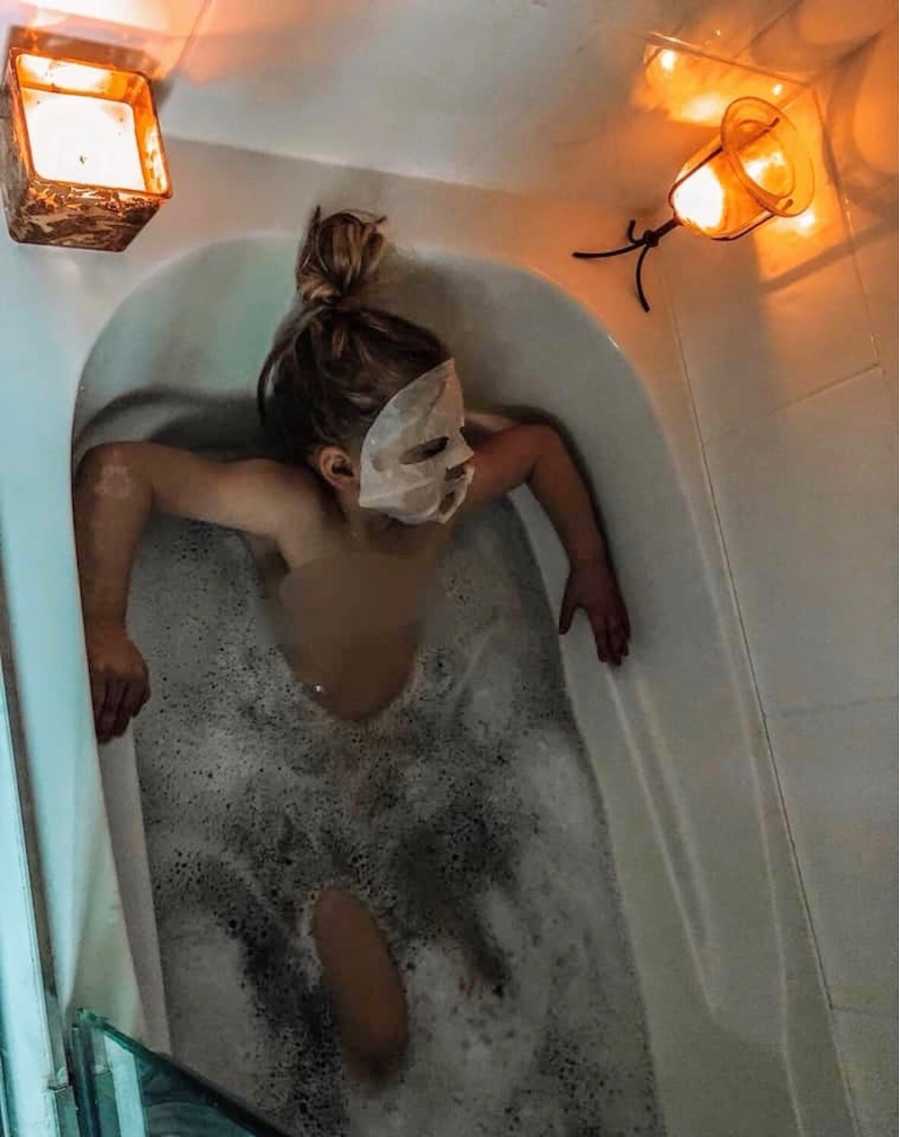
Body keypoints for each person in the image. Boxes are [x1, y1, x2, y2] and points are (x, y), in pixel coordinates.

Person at [73, 206, 631, 1081]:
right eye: (431, 448)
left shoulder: (441, 495)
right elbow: (117, 469)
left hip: (422, 744)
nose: (460, 462)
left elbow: (536, 450)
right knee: (380, 1045)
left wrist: (590, 561)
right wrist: (105, 620)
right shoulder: (291, 515)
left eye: (454, 433)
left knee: (505, 980)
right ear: (340, 470)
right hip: (293, 777)